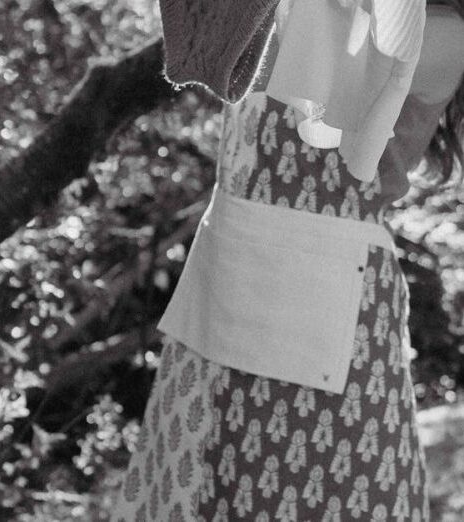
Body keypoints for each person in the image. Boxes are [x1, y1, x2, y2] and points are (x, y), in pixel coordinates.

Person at [111, 1, 464, 520]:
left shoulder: (439, 33)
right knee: (195, 491)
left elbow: (341, 71)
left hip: (331, 315)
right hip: (223, 285)